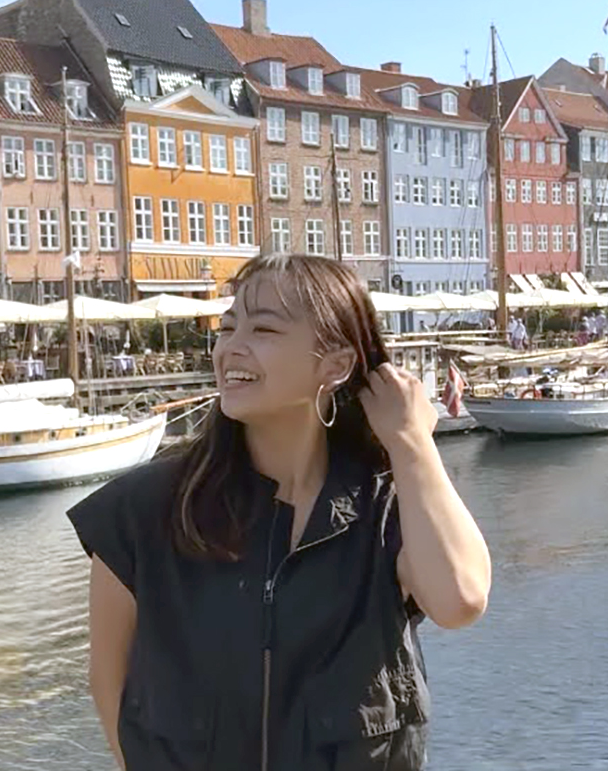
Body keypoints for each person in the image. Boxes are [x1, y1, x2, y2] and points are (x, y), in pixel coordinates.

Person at [67, 254, 491, 771]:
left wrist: (411, 444)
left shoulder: (386, 509)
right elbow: (108, 682)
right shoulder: (141, 511)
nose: (231, 347)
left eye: (263, 328)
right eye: (227, 328)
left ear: (334, 364)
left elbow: (461, 600)